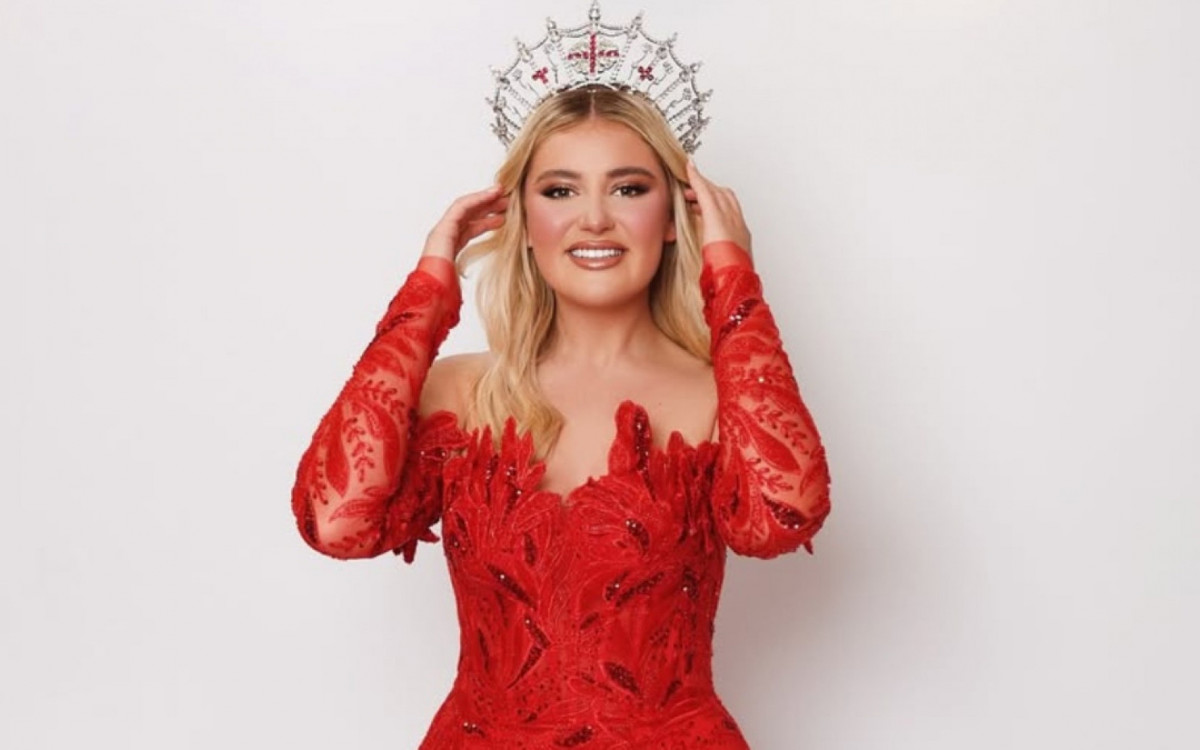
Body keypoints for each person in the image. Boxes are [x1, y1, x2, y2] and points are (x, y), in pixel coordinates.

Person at [291, 4, 830, 747]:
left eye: (629, 188)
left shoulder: (721, 398)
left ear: (676, 217)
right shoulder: (460, 393)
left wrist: (732, 274)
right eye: (560, 191)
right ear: (520, 218)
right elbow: (337, 522)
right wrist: (429, 288)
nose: (595, 219)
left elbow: (780, 519)